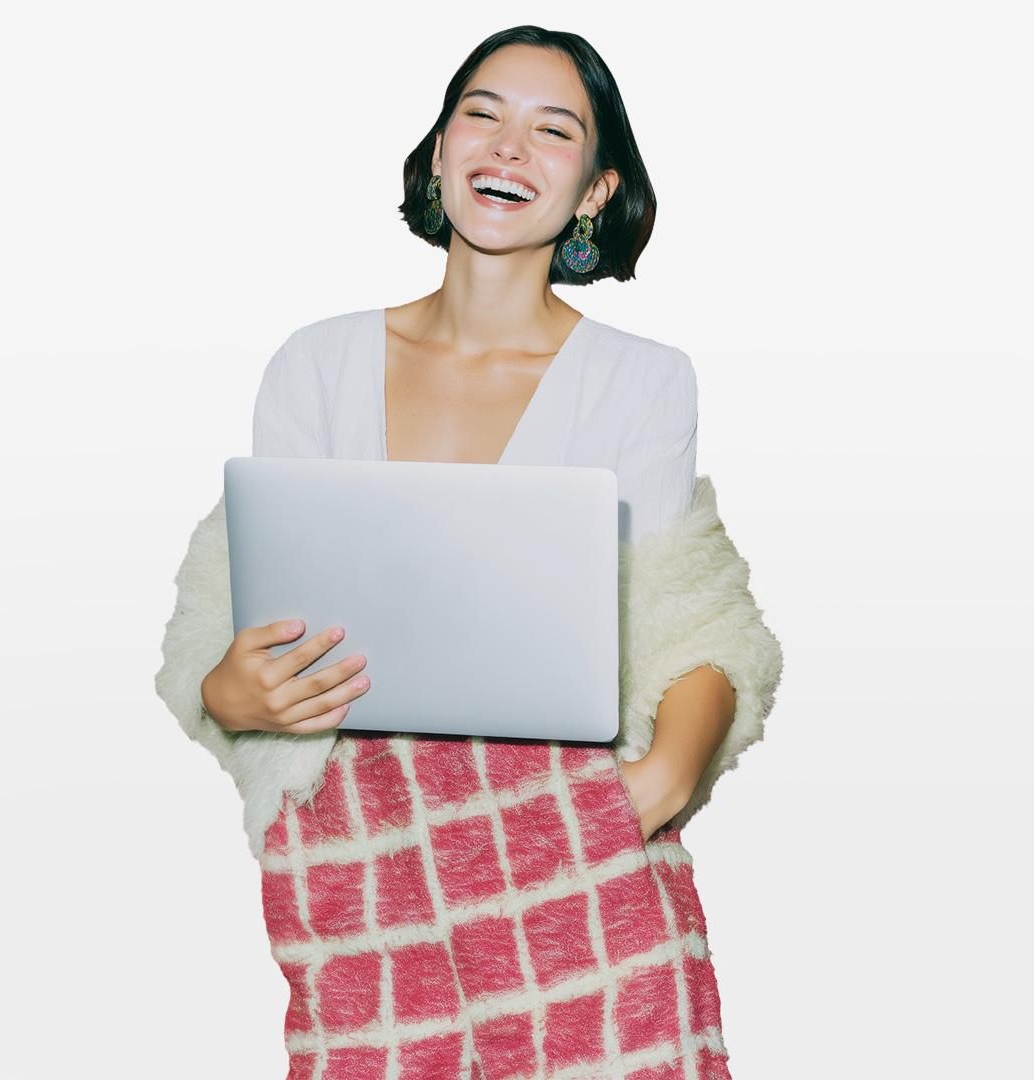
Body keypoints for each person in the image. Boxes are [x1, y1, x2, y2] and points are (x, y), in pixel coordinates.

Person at [161, 25, 783, 1079]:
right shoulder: (317, 365)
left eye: (554, 130)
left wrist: (665, 775)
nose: (507, 147)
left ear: (595, 191)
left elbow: (690, 616)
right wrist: (226, 690)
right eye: (481, 116)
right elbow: (243, 616)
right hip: (364, 867)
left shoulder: (641, 381)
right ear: (441, 150)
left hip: (574, 856)